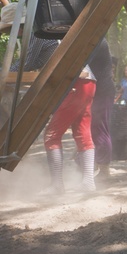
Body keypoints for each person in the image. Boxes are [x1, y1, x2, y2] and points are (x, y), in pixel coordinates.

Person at [43, 64, 97, 193]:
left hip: (75, 82)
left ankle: (56, 185)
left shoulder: (41, 41)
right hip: (89, 82)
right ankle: (88, 182)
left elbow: (29, 62)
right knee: (83, 133)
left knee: (51, 135)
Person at [87, 38, 114, 182]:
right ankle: (96, 165)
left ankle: (104, 169)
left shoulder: (98, 41)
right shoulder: (95, 39)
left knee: (100, 129)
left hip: (102, 90)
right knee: (93, 128)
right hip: (97, 90)